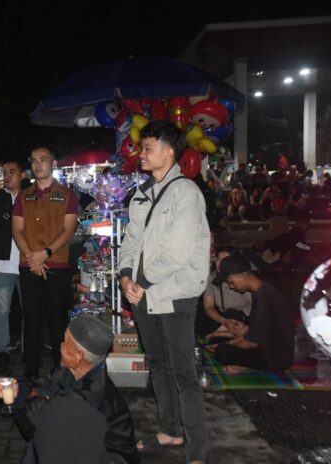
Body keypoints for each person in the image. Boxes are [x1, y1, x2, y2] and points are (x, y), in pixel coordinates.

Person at [117, 120, 209, 464]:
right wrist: (125, 277)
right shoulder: (143, 193)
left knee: (184, 372)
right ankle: (171, 430)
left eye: (148, 148)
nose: (141, 154)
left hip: (174, 294)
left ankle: (197, 450)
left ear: (168, 152)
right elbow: (131, 240)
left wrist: (140, 283)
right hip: (143, 294)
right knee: (158, 365)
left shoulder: (186, 193)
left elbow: (177, 252)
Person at [0, 314, 138, 464]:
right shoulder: (74, 372)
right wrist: (20, 390)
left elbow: (39, 422)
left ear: (79, 356)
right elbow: (48, 387)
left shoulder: (88, 400)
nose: (60, 346)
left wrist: (31, 398)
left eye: (65, 343)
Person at [12, 147, 78, 379]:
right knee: (30, 320)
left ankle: (59, 372)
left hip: (57, 265)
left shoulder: (67, 195)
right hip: (29, 265)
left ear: (54, 163)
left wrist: (45, 253)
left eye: (43, 160)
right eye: (34, 161)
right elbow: (17, 230)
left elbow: (68, 230)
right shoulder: (24, 196)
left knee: (57, 321)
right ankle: (31, 371)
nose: (38, 164)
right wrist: (32, 256)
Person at [211, 254, 294, 373]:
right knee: (219, 343)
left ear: (244, 276)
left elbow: (252, 342)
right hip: (267, 348)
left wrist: (226, 346)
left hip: (274, 357)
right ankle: (241, 361)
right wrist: (228, 343)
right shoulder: (264, 290)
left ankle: (243, 365)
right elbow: (252, 334)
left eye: (231, 282)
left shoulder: (263, 296)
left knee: (222, 352)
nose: (230, 287)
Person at [0, 160, 26, 368]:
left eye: (12, 171)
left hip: (27, 262)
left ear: (22, 175)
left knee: (29, 309)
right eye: (4, 172)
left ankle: (29, 348)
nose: (7, 176)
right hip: (2, 264)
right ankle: (2, 350)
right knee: (2, 310)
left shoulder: (30, 197)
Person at [196, 248, 252, 339]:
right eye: (218, 259)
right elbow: (208, 307)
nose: (220, 263)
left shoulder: (241, 277)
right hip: (224, 318)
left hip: (245, 319)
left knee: (245, 331)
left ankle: (214, 336)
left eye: (225, 259)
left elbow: (258, 306)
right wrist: (225, 321)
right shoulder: (212, 277)